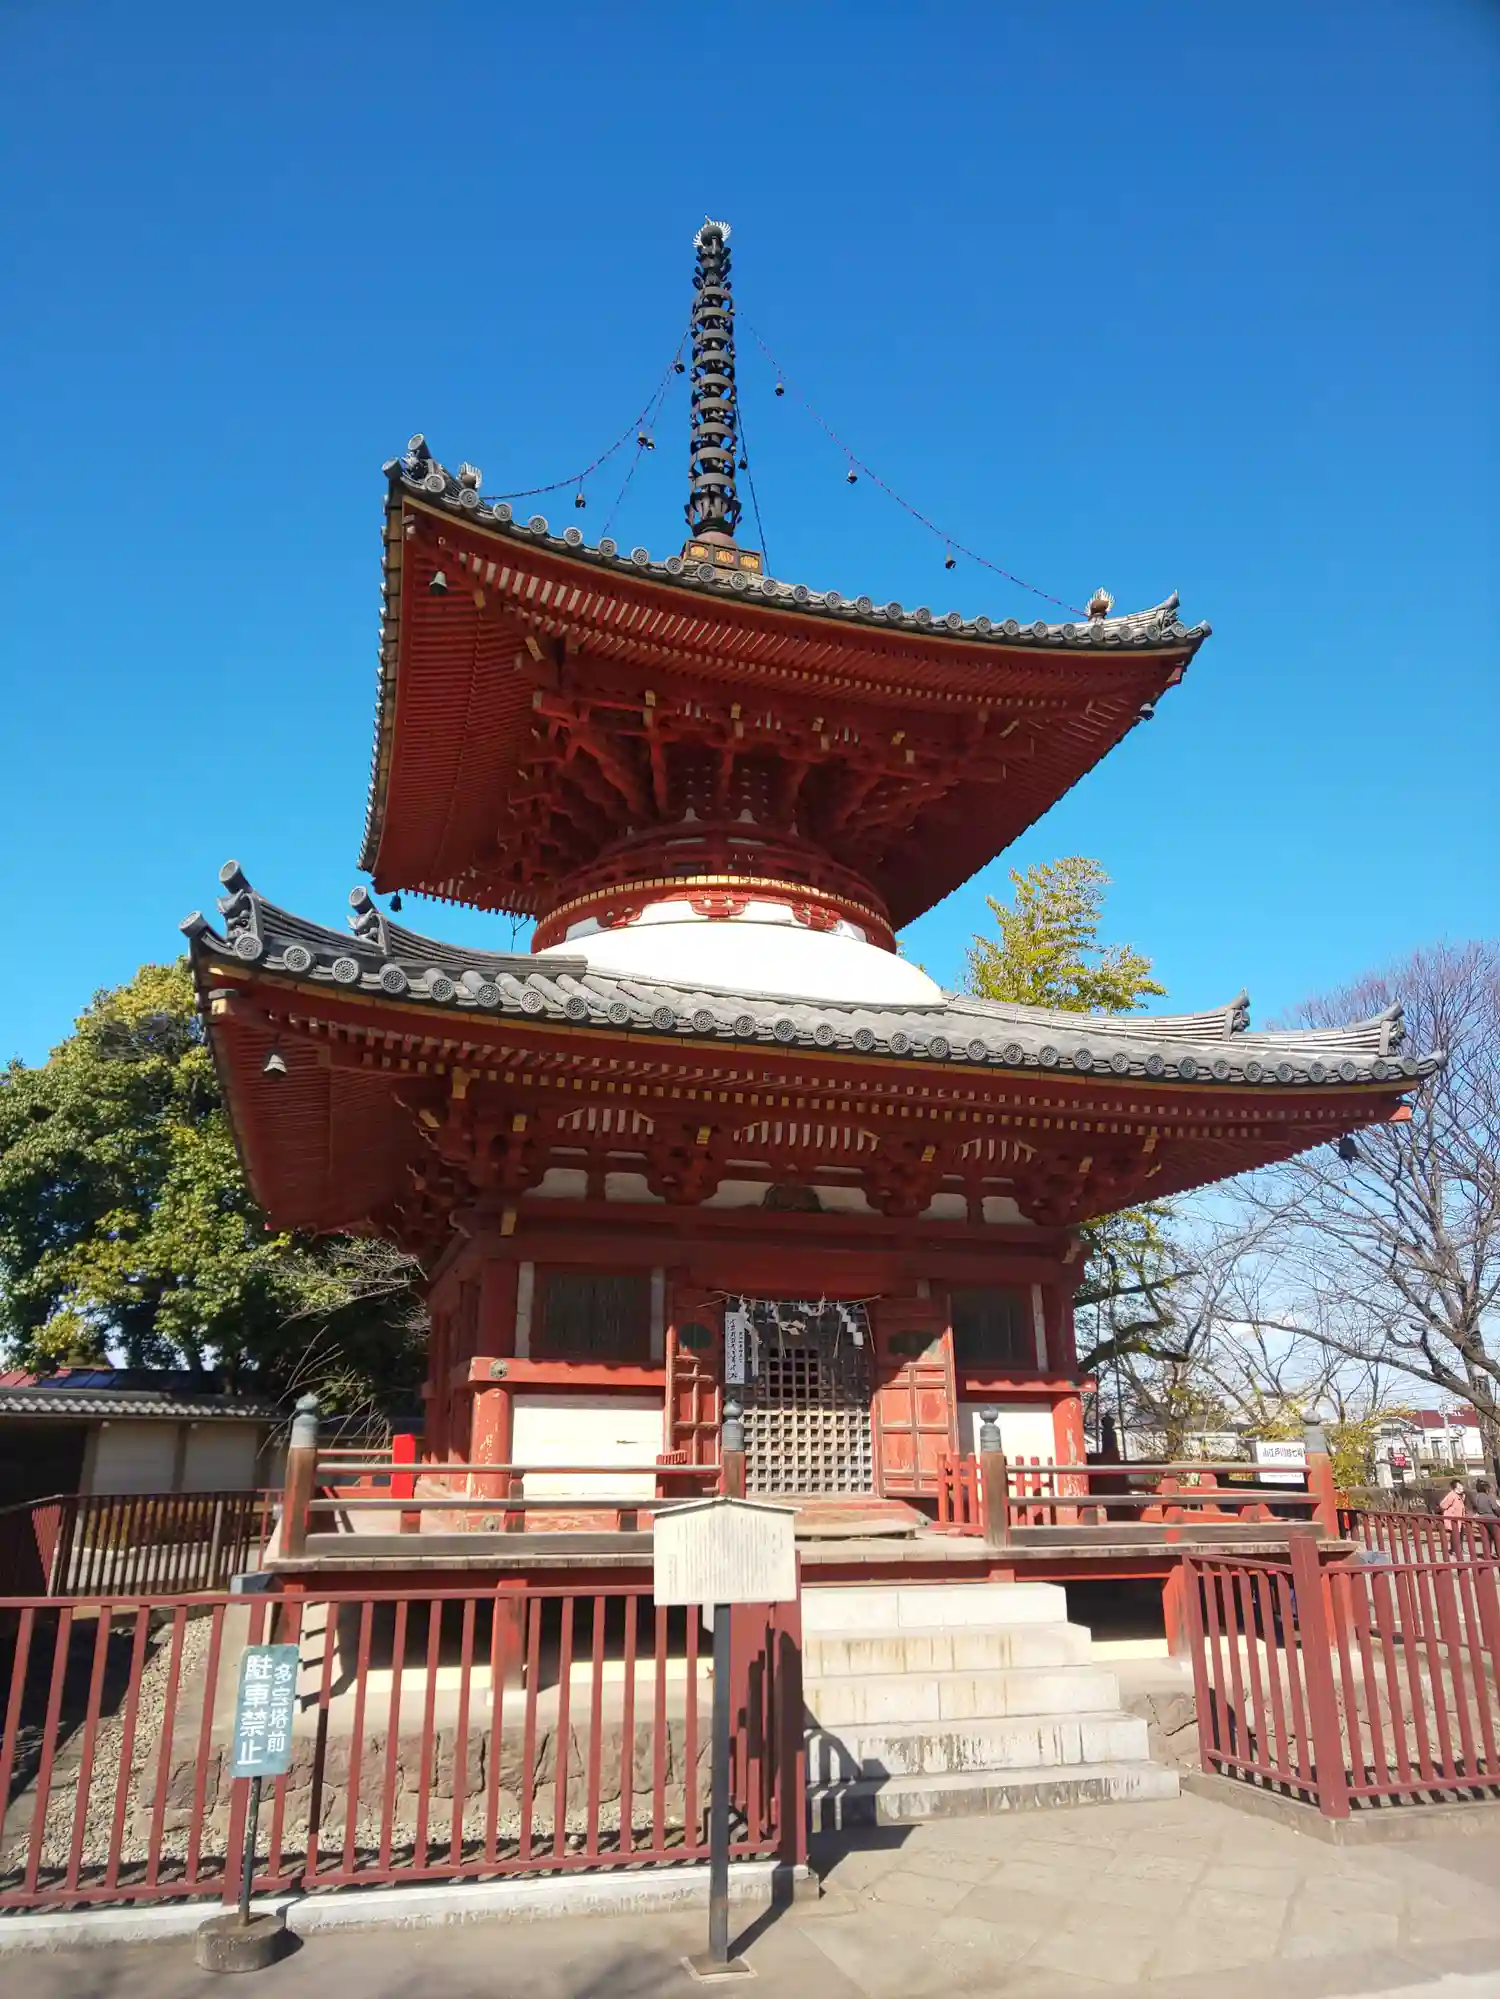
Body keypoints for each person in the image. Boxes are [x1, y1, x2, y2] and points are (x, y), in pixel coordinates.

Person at [1439, 1477, 1470, 1557]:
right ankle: (1455, 1550)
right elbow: (1443, 1505)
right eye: (1460, 1486)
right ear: (1455, 1488)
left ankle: (1459, 1549)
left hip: (1460, 1519)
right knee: (1455, 1535)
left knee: (1460, 1535)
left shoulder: (1461, 1495)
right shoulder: (1452, 1495)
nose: (1462, 1487)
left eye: (1461, 1485)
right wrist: (1451, 1512)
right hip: (1453, 1519)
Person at [1471, 1477, 1500, 1557]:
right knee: (1497, 1538)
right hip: (1492, 1519)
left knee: (1486, 1538)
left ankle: (1487, 1555)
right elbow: (1495, 1508)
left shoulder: (1476, 1497)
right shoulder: (1489, 1496)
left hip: (1482, 1519)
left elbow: (1474, 1508)